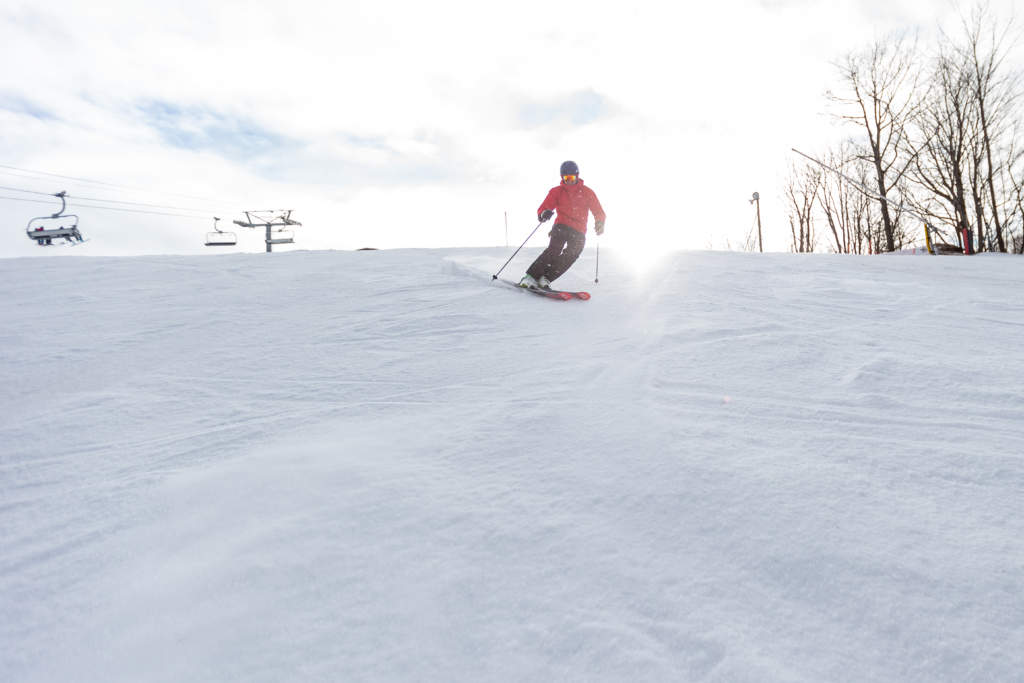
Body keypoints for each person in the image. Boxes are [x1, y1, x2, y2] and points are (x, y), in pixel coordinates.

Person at [519, 160, 605, 290]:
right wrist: (544, 214)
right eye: (566, 178)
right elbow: (544, 207)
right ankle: (530, 277)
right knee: (554, 250)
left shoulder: (587, 192)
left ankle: (546, 278)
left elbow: (598, 211)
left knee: (573, 253)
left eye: (571, 177)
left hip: (579, 230)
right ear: (562, 178)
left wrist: (599, 222)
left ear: (577, 176)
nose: (569, 180)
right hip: (562, 225)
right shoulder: (557, 191)